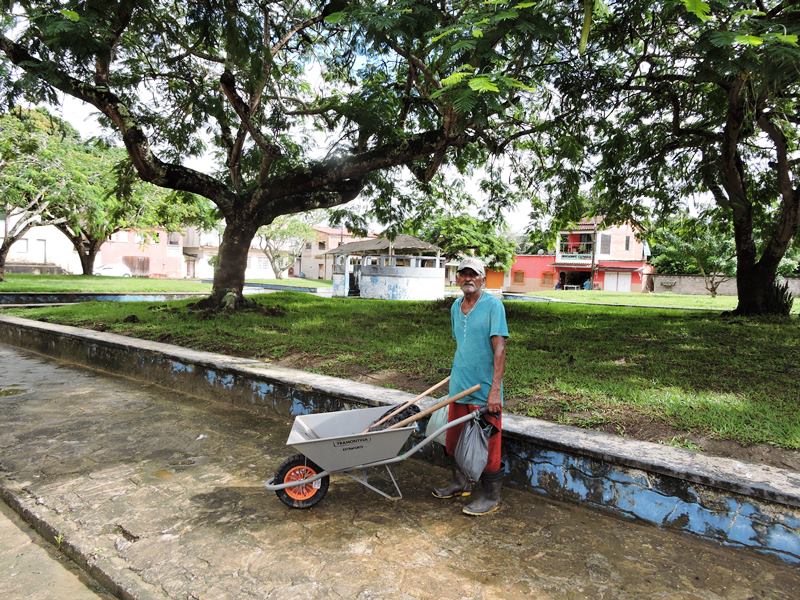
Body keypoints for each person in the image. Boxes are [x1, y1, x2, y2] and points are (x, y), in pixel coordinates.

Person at [432, 257, 508, 516]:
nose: (468, 279)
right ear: (457, 279)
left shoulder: (493, 306)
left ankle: (490, 495)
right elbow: (462, 345)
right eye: (463, 274)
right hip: (459, 386)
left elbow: (499, 348)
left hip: (484, 390)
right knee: (453, 441)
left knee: (488, 446)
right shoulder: (455, 307)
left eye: (473, 274)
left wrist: (495, 389)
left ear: (482, 279)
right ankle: (460, 482)